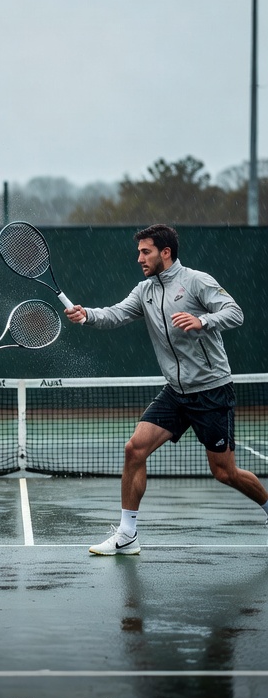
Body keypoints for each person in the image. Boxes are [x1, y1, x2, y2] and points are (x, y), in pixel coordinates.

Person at [65, 224, 266, 555]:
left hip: (211, 390)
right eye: (139, 252)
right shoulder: (144, 291)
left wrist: (204, 321)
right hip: (175, 392)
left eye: (146, 252)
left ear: (166, 252)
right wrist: (87, 315)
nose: (139, 258)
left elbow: (235, 312)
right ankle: (127, 536)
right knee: (134, 450)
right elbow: (115, 314)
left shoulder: (196, 282)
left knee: (224, 472)